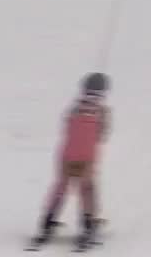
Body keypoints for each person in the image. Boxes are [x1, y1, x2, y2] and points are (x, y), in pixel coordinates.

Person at [33, 72, 110, 247]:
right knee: (87, 189)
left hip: (66, 156)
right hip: (87, 159)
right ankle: (88, 226)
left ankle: (47, 221)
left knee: (60, 187)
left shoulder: (73, 108)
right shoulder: (102, 112)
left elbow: (66, 127)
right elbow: (102, 134)